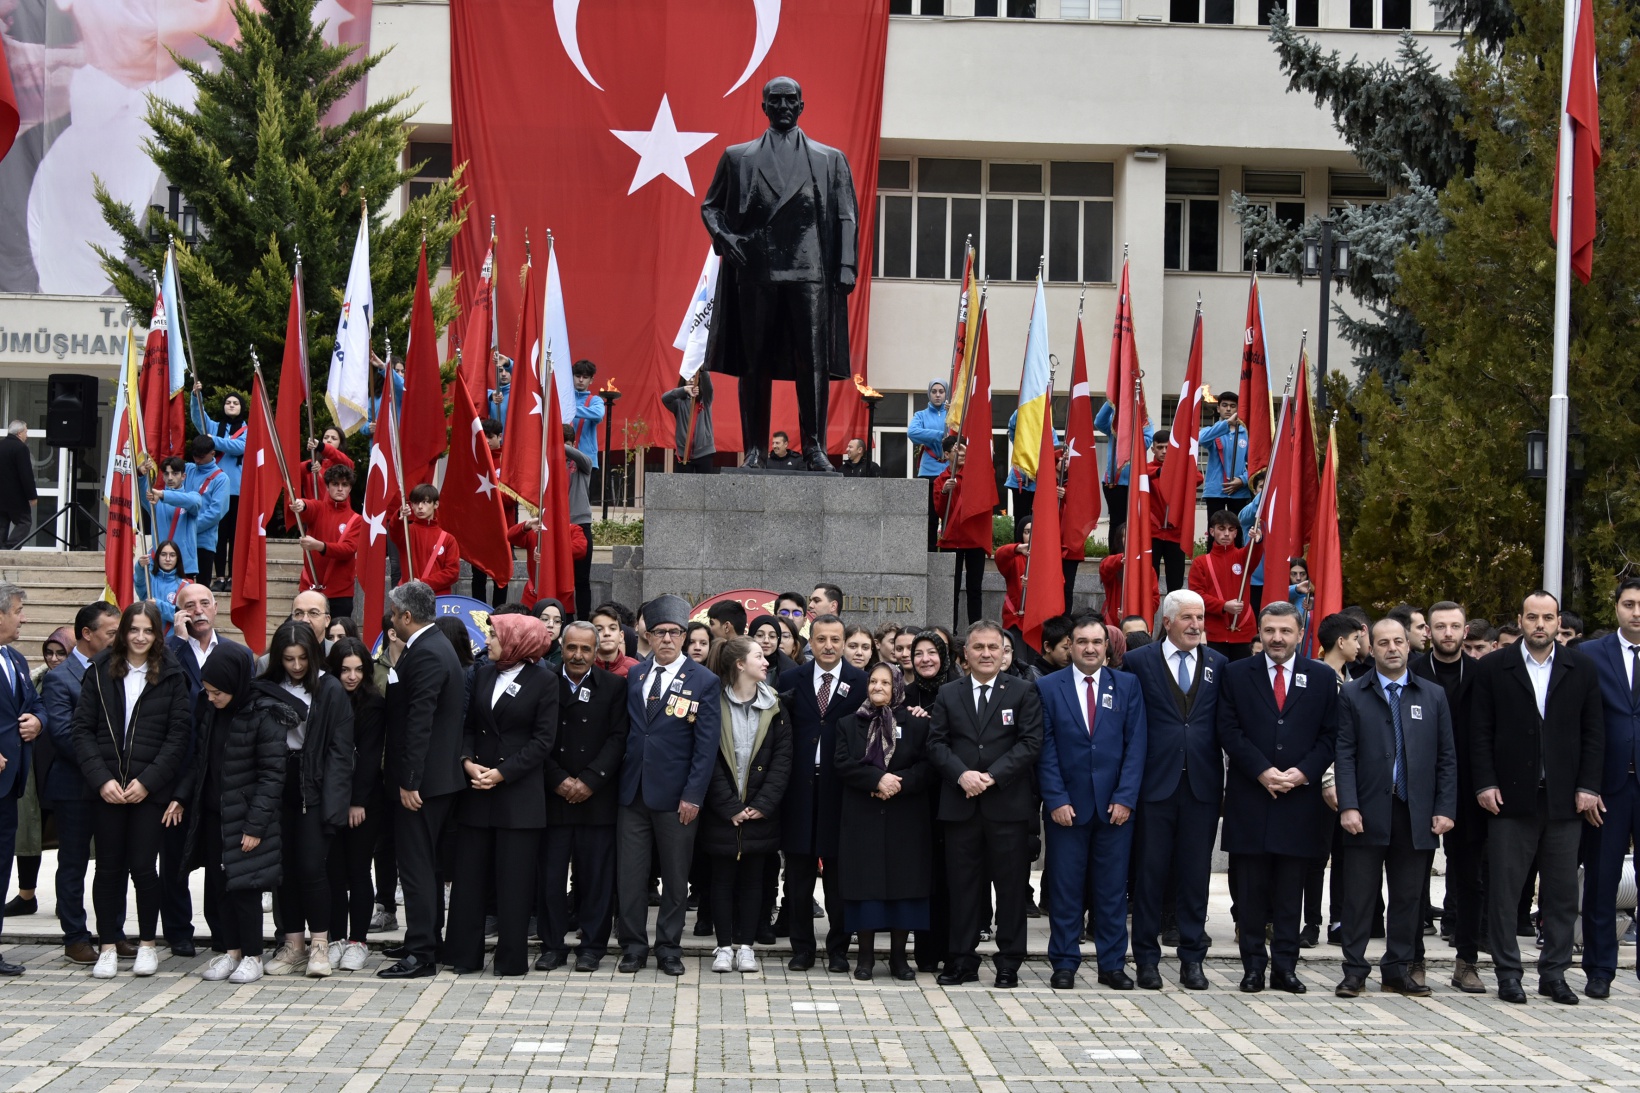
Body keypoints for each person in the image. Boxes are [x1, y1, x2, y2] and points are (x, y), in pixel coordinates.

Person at [1473, 590, 1603, 1005]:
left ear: (1558, 620)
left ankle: (1554, 973)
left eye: (1548, 617)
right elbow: (1479, 731)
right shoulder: (1495, 667)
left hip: (1564, 800)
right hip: (1510, 797)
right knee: (1506, 891)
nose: (1541, 625)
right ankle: (1508, 973)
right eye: (1532, 617)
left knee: (1562, 892)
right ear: (1521, 619)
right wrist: (1485, 782)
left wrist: (1587, 786)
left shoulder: (1580, 667)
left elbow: (1593, 733)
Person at [1217, 600, 1339, 994]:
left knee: (1291, 892)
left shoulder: (1320, 678)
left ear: (1300, 634)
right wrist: (1261, 769)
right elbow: (1228, 729)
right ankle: (1253, 967)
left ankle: (1285, 967)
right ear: (1260, 633)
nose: (1277, 638)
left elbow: (1331, 735)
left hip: (1300, 803)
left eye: (1286, 631)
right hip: (1251, 798)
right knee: (1251, 893)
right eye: (1270, 630)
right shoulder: (1235, 674)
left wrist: (1304, 772)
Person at [1333, 617, 1456, 998]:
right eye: (1383, 642)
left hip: (1415, 811)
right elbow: (1345, 753)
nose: (1391, 648)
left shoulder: (1432, 695)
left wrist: (1444, 807)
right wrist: (1348, 805)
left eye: (1398, 641)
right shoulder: (1353, 694)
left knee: (1408, 897)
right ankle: (1354, 970)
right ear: (1371, 646)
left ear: (1409, 645)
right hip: (1367, 811)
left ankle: (1397, 969)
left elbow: (1447, 758)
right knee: (1359, 897)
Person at [70, 601, 192, 979]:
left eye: (148, 630)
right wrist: (102, 780)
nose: (140, 637)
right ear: (123, 632)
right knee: (107, 869)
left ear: (158, 634)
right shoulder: (100, 670)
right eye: (133, 629)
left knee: (143, 867)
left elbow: (179, 737)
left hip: (147, 791)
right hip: (106, 789)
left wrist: (148, 782)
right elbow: (82, 731)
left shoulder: (172, 674)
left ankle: (148, 945)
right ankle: (107, 945)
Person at [926, 619, 1043, 988]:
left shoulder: (1023, 692)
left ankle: (1008, 962)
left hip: (1007, 807)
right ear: (965, 655)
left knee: (1010, 889)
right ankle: (961, 959)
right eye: (979, 648)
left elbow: (1030, 743)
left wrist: (991, 776)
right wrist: (962, 775)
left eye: (994, 647)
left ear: (1005, 653)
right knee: (963, 888)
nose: (987, 654)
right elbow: (936, 744)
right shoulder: (949, 694)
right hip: (960, 807)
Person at [1125, 590, 1227, 991]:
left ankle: (1191, 959)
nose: (1196, 625)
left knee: (1195, 877)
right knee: (1149, 876)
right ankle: (1147, 960)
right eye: (1187, 618)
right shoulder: (1137, 662)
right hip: (1154, 787)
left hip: (1201, 787)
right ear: (1167, 622)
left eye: (1200, 618)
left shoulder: (1218, 664)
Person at [1038, 615, 1147, 991]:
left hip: (1115, 811)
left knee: (1112, 891)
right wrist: (1055, 799)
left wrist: (1125, 798)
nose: (1089, 648)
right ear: (1070, 645)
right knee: (1066, 890)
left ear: (1108, 647)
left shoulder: (1128, 686)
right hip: (1066, 808)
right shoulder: (1049, 687)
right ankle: (1064, 963)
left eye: (1096, 642)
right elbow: (1045, 749)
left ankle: (1112, 965)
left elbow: (1136, 747)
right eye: (1081, 641)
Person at [445, 614, 556, 977]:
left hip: (518, 795)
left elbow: (543, 740)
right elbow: (468, 726)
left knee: (514, 882)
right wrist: (465, 760)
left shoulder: (544, 680)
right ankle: (463, 955)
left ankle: (510, 961)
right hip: (477, 790)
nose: (487, 639)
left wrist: (503, 773)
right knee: (469, 879)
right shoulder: (482, 673)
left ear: (516, 640)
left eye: (494, 634)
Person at [616, 595, 721, 975]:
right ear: (647, 635)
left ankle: (669, 947)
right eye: (660, 632)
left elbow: (706, 747)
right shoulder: (635, 675)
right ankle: (632, 946)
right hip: (632, 792)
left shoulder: (704, 681)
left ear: (684, 636)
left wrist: (693, 794)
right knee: (630, 875)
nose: (667, 639)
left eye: (675, 633)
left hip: (677, 796)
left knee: (676, 877)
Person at [179, 645, 288, 985]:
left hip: (248, 818)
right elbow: (200, 760)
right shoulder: (211, 711)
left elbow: (273, 774)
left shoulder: (263, 713)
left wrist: (256, 824)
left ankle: (253, 956)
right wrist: (183, 798)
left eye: (218, 692)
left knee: (246, 889)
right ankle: (232, 952)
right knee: (220, 888)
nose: (211, 698)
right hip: (215, 814)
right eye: (208, 691)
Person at [378, 581, 466, 979]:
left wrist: (409, 781)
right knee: (425, 866)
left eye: (394, 614)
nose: (391, 621)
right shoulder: (430, 647)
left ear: (406, 616)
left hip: (424, 783)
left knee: (415, 867)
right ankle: (426, 936)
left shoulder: (428, 652)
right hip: (431, 780)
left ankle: (420, 954)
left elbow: (420, 722)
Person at [259, 621, 354, 978]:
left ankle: (320, 944)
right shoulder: (268, 688)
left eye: (302, 658)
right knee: (284, 870)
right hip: (277, 784)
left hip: (315, 786)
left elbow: (342, 752)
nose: (296, 666)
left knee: (313, 868)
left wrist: (334, 806)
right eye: (288, 659)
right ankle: (293, 943)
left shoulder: (329, 689)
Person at [780, 614, 867, 972]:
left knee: (838, 877)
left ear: (844, 642)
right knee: (798, 877)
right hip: (799, 788)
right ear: (810, 643)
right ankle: (802, 948)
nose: (828, 646)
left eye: (835, 639)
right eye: (821, 640)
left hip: (841, 789)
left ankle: (838, 949)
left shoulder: (860, 681)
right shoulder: (790, 679)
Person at [541, 621, 628, 972]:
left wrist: (590, 780)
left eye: (585, 649)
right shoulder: (544, 682)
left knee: (596, 880)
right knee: (549, 878)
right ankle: (551, 945)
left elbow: (619, 738)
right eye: (572, 648)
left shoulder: (613, 686)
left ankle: (592, 946)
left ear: (596, 652)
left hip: (596, 799)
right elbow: (534, 737)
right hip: (553, 797)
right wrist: (558, 780)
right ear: (562, 647)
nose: (578, 655)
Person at [701, 636, 792, 973]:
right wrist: (728, 806)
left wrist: (762, 804)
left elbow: (783, 761)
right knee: (721, 880)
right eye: (758, 656)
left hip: (759, 813)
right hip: (724, 813)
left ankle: (747, 947)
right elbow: (706, 759)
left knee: (755, 882)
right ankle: (724, 947)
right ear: (740, 664)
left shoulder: (776, 706)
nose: (766, 661)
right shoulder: (713, 703)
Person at [835, 663, 930, 980]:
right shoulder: (849, 723)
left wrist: (897, 782)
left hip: (905, 818)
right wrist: (877, 780)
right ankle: (864, 959)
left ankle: (900, 959)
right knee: (866, 888)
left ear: (897, 687)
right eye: (873, 681)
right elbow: (843, 763)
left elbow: (927, 766)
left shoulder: (915, 724)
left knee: (904, 888)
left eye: (885, 682)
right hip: (862, 816)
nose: (877, 686)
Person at [1411, 601, 1486, 992]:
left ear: (1465, 629)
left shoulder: (1481, 674)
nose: (1447, 634)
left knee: (1469, 879)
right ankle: (1414, 959)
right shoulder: (1412, 673)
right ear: (1429, 632)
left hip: (1470, 791)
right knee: (1414, 877)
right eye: (1439, 626)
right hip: (1419, 788)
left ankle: (1467, 962)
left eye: (1454, 626)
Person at [41, 602, 121, 964]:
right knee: (73, 864)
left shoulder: (117, 671)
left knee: (112, 863)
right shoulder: (60, 678)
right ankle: (75, 936)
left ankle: (112, 934)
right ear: (87, 635)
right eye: (111, 632)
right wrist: (105, 769)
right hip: (75, 788)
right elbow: (63, 734)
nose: (118, 638)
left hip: (113, 789)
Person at [1579, 578, 1640, 999]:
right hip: (1607, 789)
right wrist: (1587, 785)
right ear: (1616, 607)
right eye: (1630, 604)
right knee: (1602, 881)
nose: (1637, 612)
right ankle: (1600, 970)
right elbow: (1578, 725)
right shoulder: (1589, 655)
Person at [323, 637, 385, 973]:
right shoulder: (325, 698)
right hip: (329, 799)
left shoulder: (373, 703)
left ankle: (358, 940)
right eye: (345, 669)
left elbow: (370, 756)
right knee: (332, 871)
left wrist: (357, 800)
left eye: (359, 669)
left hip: (364, 801)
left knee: (359, 869)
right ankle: (335, 938)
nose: (352, 676)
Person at [0, 583, 42, 974]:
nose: (23, 618)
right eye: (17, 611)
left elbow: (35, 702)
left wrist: (37, 721)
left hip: (10, 783)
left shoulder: (13, 658)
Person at [189, 387, 246, 591]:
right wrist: (197, 397)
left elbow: (239, 447)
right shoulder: (214, 427)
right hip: (215, 491)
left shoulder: (247, 430)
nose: (231, 405)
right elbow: (199, 418)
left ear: (241, 407)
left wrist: (213, 440)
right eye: (228, 402)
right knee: (219, 536)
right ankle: (220, 576)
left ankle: (233, 576)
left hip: (237, 491)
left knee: (235, 536)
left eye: (235, 403)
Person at [291, 463, 364, 619]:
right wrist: (301, 504)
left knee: (336, 639)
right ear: (327, 486)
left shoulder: (356, 519)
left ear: (350, 488)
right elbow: (308, 506)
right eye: (335, 484)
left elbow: (348, 549)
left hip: (340, 592)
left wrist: (320, 546)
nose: (339, 488)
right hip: (310, 589)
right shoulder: (318, 508)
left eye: (344, 485)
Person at [934, 437, 988, 624]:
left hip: (974, 539)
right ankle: (952, 629)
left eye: (965, 453)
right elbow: (940, 512)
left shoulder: (976, 476)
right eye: (959, 452)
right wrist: (944, 493)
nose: (963, 455)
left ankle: (976, 629)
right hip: (952, 540)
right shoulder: (940, 480)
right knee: (952, 589)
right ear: (947, 455)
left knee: (975, 589)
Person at [1189, 509, 1254, 660]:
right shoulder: (1201, 562)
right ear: (1212, 532)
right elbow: (1197, 596)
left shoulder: (1242, 556)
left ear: (1236, 533)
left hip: (1243, 632)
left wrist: (1257, 540)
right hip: (1215, 633)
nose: (1226, 534)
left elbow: (1255, 552)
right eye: (1221, 529)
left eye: (1231, 530)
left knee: (1241, 678)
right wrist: (1223, 606)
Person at [1094, 394, 1154, 548]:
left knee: (1133, 522)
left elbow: (1146, 442)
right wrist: (1113, 399)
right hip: (1113, 482)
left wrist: (1130, 426)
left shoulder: (1144, 420)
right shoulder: (1115, 421)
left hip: (1134, 482)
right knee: (1116, 522)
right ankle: (1115, 558)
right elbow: (1099, 422)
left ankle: (1132, 557)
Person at [183, 434, 232, 593]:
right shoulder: (188, 469)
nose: (197, 460)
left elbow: (216, 512)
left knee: (202, 589)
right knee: (182, 587)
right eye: (195, 456)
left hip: (204, 541)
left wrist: (190, 527)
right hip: (183, 541)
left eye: (201, 457)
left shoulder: (221, 478)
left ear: (213, 453)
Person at [391, 484, 460, 596]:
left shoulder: (448, 539)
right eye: (416, 502)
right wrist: (399, 515)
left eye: (425, 502)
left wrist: (424, 583)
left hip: (438, 599)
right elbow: (394, 530)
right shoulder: (406, 532)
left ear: (436, 504)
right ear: (411, 506)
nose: (420, 506)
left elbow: (452, 572)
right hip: (410, 597)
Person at [1198, 392, 1250, 532]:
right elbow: (1202, 439)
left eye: (1233, 406)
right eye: (1224, 405)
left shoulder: (1246, 433)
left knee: (1238, 533)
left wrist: (1242, 480)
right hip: (1215, 491)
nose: (1228, 409)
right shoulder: (1212, 431)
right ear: (1218, 409)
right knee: (1215, 532)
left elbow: (1255, 463)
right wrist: (1227, 423)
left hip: (1239, 491)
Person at [908, 380, 949, 550]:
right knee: (930, 517)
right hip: (929, 470)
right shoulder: (921, 415)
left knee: (949, 515)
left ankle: (949, 550)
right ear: (929, 394)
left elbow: (964, 433)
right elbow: (913, 432)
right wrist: (941, 435)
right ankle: (930, 552)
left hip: (950, 469)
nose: (938, 395)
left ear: (946, 393)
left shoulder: (953, 413)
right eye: (934, 391)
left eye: (941, 391)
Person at [144, 456, 201, 578]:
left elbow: (194, 502)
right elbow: (142, 490)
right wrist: (142, 472)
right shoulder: (155, 499)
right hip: (160, 562)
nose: (170, 478)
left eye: (175, 473)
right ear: (163, 476)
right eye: (166, 474)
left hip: (185, 564)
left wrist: (162, 494)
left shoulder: (192, 496)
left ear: (183, 476)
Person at [661, 370, 716, 474]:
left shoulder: (705, 399)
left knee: (705, 488)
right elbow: (664, 398)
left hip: (704, 452)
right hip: (684, 454)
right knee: (683, 489)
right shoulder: (678, 403)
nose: (691, 380)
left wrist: (703, 370)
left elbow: (708, 385)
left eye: (694, 377)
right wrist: (684, 390)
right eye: (688, 377)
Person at [0, 421, 37, 548]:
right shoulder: (20, 448)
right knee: (25, 523)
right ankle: (9, 548)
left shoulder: (1, 445)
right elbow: (25, 474)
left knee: (2, 525)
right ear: (19, 433)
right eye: (26, 432)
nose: (27, 435)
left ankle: (1, 552)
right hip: (16, 498)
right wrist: (32, 496)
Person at [134, 540, 186, 628]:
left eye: (172, 555)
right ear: (157, 557)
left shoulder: (185, 586)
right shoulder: (149, 578)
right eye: (163, 554)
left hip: (173, 638)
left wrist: (158, 605)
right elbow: (140, 583)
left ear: (178, 558)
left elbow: (186, 615)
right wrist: (139, 566)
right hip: (148, 636)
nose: (168, 559)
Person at [569, 359, 606, 471]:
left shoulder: (595, 400)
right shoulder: (564, 397)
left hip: (585, 459)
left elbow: (599, 413)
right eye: (578, 376)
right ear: (572, 376)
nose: (581, 380)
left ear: (591, 380)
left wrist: (569, 410)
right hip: (563, 457)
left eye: (585, 377)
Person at [302, 428, 354, 500]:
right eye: (326, 438)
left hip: (337, 510)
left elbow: (336, 455)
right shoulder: (313, 463)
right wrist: (309, 466)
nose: (329, 440)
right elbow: (295, 471)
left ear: (340, 443)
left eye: (334, 438)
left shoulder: (345, 463)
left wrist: (320, 446)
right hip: (314, 509)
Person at [590, 603, 641, 677]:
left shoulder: (636, 669)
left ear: (621, 636)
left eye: (612, 628)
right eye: (599, 629)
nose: (607, 633)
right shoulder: (584, 668)